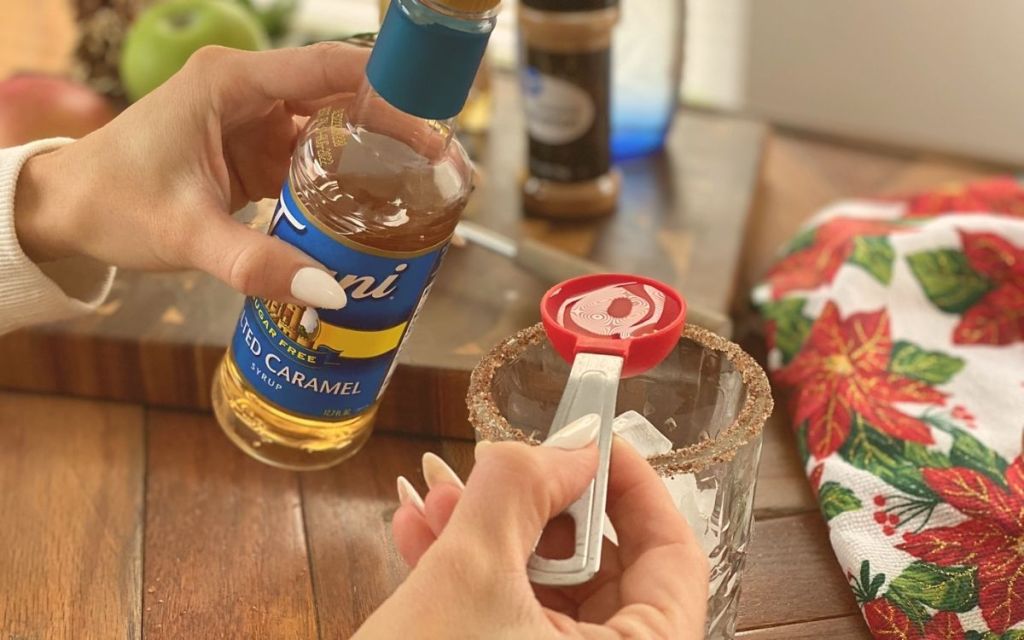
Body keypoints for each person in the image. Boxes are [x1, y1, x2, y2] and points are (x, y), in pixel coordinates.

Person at [0, 43, 708, 638]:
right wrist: (58, 201)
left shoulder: (439, 177)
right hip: (256, 387)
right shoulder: (327, 142)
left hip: (336, 419)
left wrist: (49, 199)